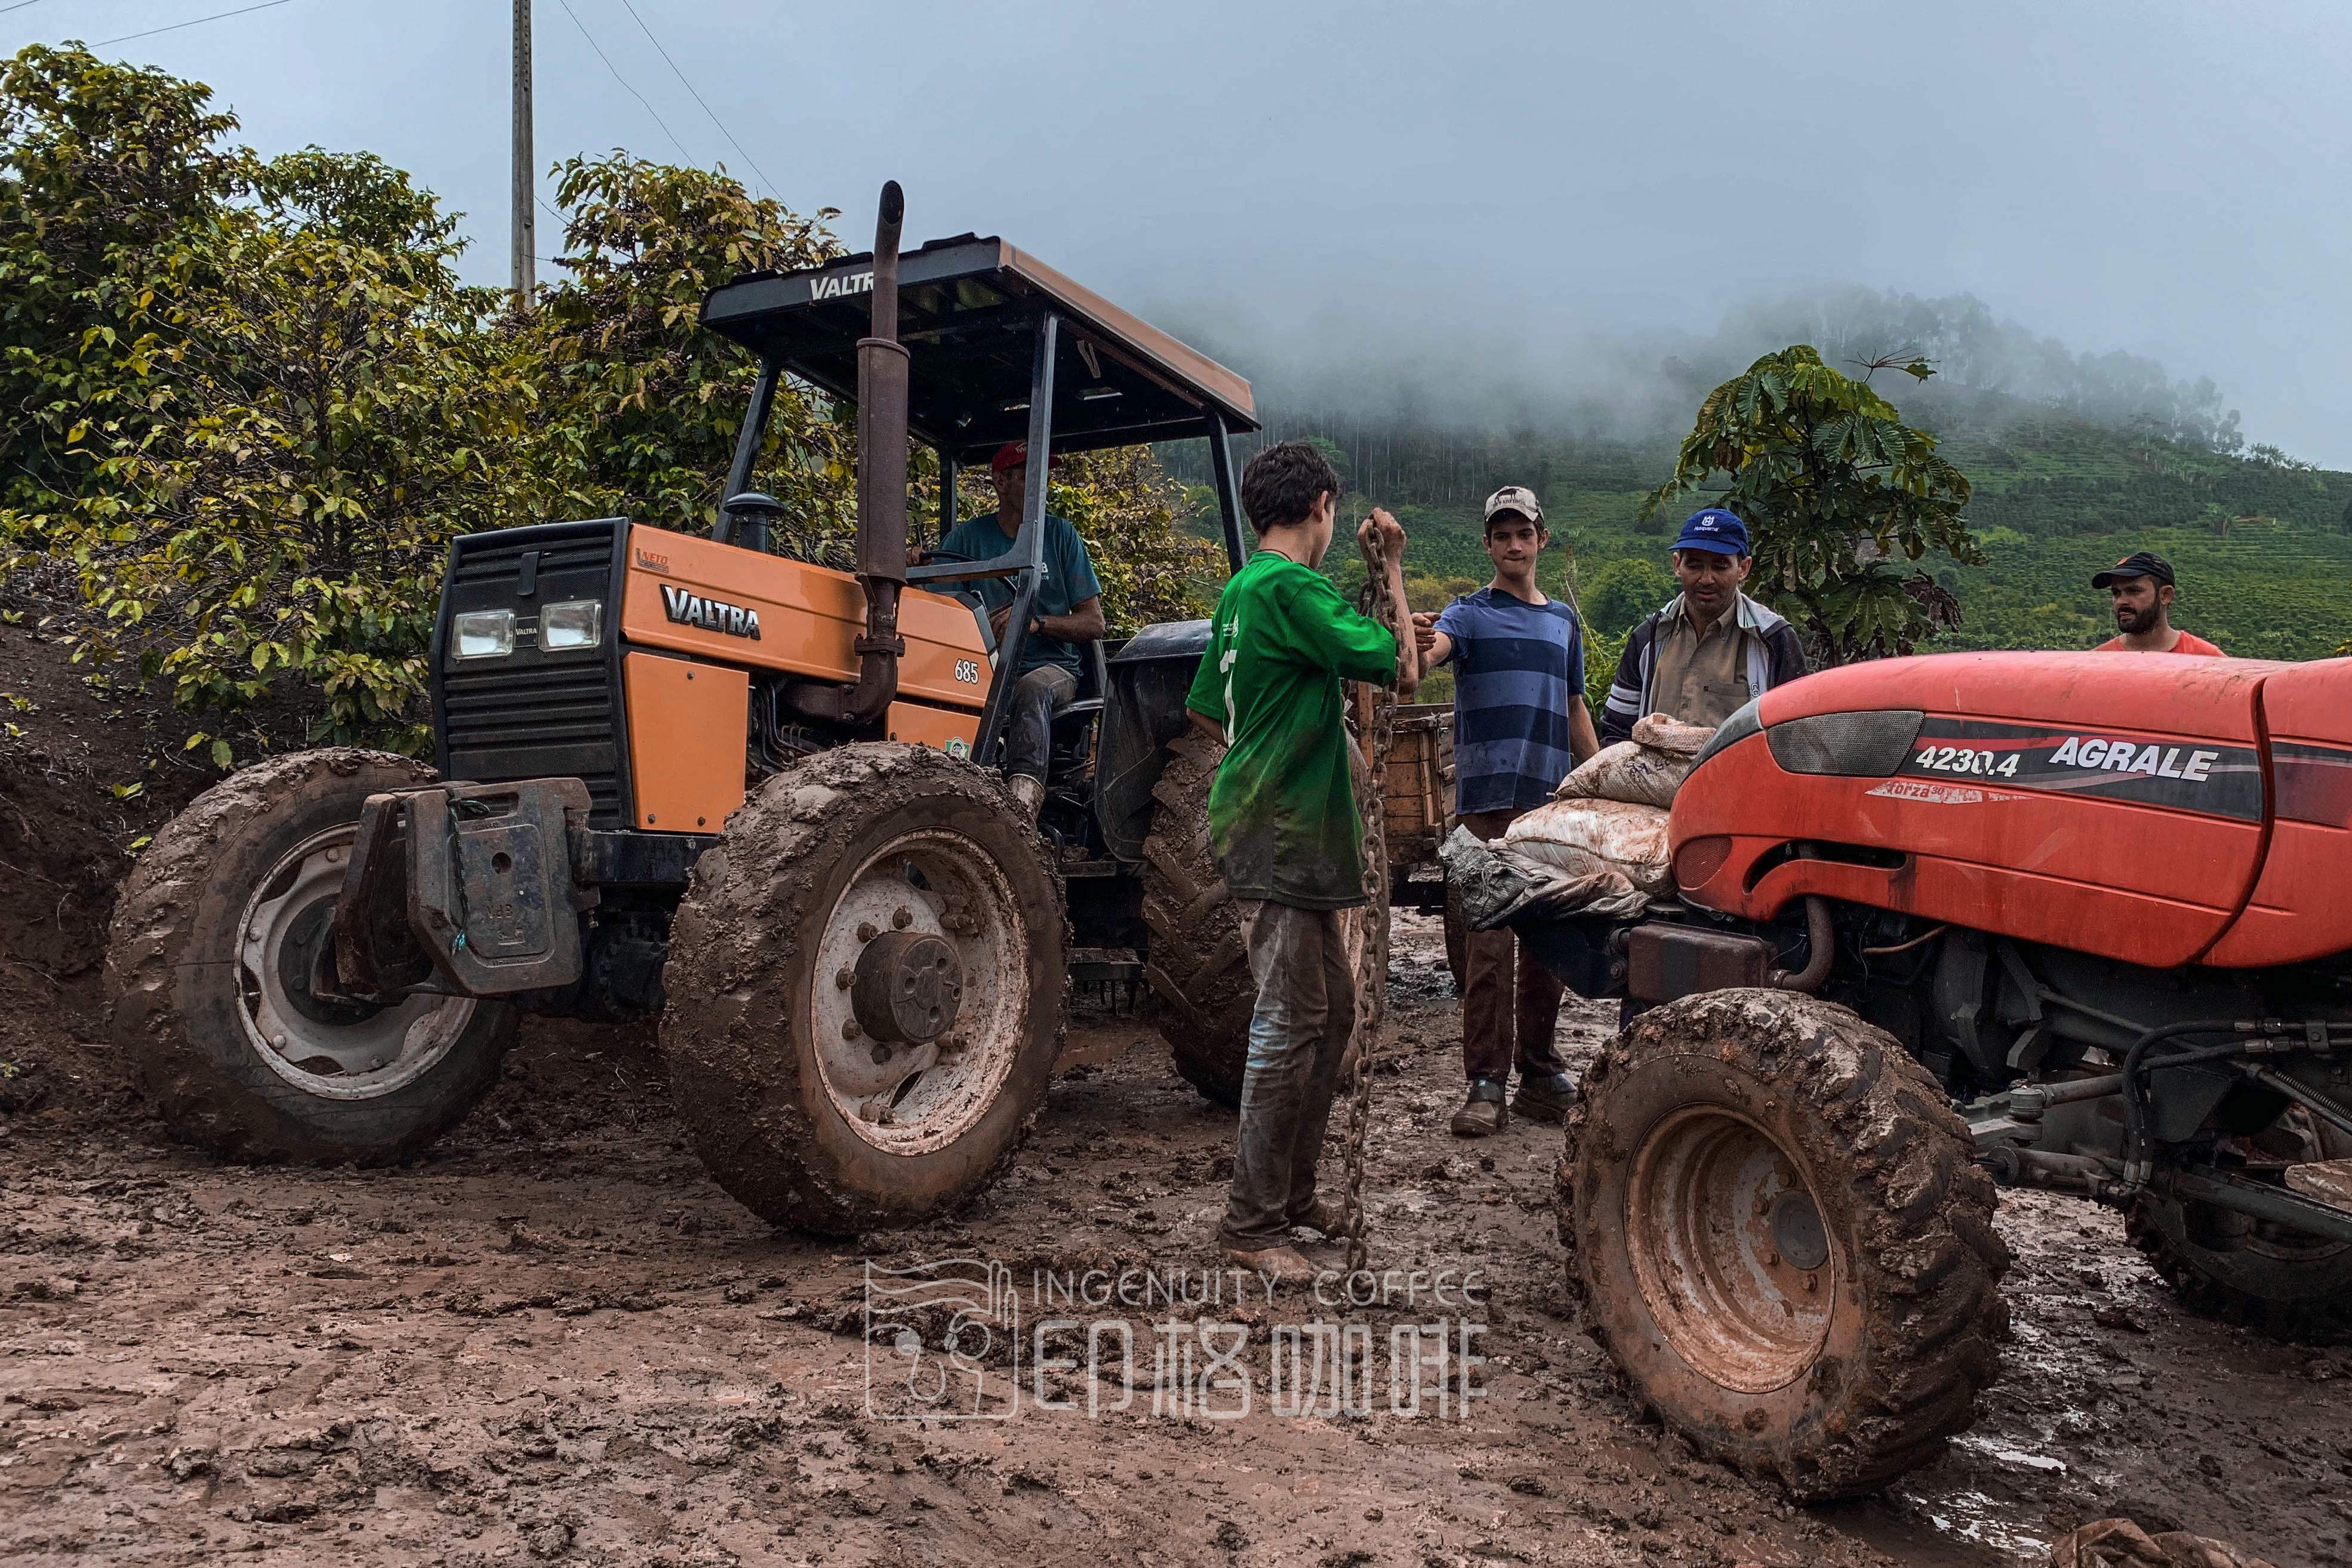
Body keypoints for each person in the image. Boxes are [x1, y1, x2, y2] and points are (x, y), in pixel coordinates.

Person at [1184, 440, 1418, 1283]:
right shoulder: (1292, 585)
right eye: (1333, 514)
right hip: (1283, 827)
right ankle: (1250, 1223)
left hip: (1280, 820)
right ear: (1322, 504)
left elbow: (1210, 709)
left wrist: (1294, 736)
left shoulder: (1243, 592)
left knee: (1332, 1012)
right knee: (1289, 1020)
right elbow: (1400, 665)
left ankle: (1294, 1193)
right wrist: (1390, 564)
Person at [1410, 486, 1596, 1136]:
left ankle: (1539, 1074)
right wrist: (1416, 639)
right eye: (1502, 535)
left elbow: (1573, 706)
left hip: (1548, 807)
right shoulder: (1466, 615)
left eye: (1525, 533)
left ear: (1542, 539)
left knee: (1549, 947)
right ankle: (1484, 1082)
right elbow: (1426, 658)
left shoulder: (1563, 622)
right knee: (1487, 950)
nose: (1514, 545)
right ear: (1488, 544)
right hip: (1485, 807)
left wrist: (1597, 781)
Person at [928, 442, 1107, 815]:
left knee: (1030, 689)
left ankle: (1022, 805)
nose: (1040, 487)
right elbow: (939, 613)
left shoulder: (1061, 536)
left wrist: (1036, 623)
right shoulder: (966, 540)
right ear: (1001, 482)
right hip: (984, 668)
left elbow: (1094, 623)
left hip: (1053, 668)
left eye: (1043, 478)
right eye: (1029, 478)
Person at [1600, 508, 1807, 745]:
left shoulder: (1773, 640)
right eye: (1695, 565)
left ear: (1743, 568)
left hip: (1739, 781)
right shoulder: (1649, 636)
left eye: (1720, 567)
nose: (1706, 579)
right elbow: (1616, 730)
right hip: (1656, 781)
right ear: (1677, 565)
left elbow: (1795, 737)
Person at [2092, 552, 2223, 655]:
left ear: (2165, 595)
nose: (2121, 601)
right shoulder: (2098, 661)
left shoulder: (2206, 658)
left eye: (2134, 591)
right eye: (2116, 593)